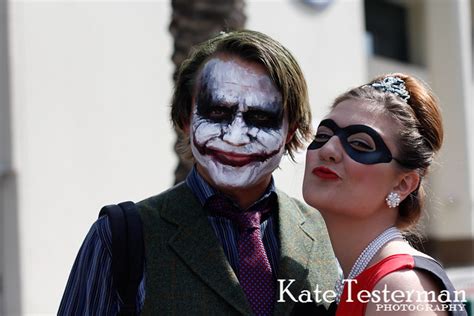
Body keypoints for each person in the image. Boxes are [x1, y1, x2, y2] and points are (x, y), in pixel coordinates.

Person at [59, 30, 338, 315]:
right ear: (185, 119)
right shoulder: (118, 237)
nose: (235, 137)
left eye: (261, 117)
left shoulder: (325, 230)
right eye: (217, 113)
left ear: (290, 130)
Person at [303, 74, 467, 316]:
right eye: (323, 135)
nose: (327, 150)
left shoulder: (398, 287)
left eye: (359, 144)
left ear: (402, 184)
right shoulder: (357, 277)